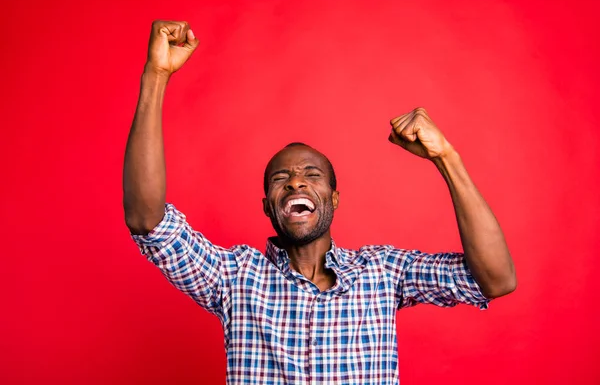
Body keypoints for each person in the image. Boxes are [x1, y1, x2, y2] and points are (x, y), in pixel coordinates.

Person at [123, 20, 516, 385]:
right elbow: (147, 221)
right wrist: (155, 76)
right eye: (281, 178)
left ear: (335, 199)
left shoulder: (381, 273)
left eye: (312, 176)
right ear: (267, 207)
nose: (295, 181)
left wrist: (445, 157)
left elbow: (496, 280)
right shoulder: (235, 278)